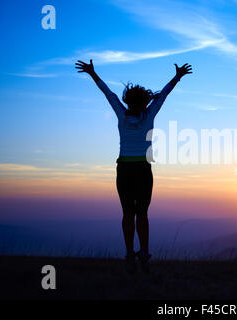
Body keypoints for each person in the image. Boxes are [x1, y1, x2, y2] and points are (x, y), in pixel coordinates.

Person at [75, 59, 192, 273]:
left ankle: (130, 253)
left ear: (128, 101)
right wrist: (178, 76)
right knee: (142, 214)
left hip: (125, 170)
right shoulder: (149, 114)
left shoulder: (121, 114)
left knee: (127, 213)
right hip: (143, 170)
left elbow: (108, 94)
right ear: (145, 101)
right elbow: (164, 95)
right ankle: (144, 255)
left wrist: (93, 73)